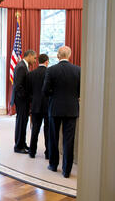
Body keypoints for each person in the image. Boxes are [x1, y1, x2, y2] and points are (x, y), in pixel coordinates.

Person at [42, 46, 80, 178]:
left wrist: (55, 94)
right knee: (68, 140)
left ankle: (53, 165)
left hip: (55, 108)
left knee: (53, 137)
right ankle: (66, 170)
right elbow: (80, 90)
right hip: (72, 109)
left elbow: (45, 91)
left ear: (58, 56)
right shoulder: (78, 70)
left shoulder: (51, 70)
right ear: (69, 55)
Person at [11, 49, 37, 154]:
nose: (35, 61)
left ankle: (22, 143)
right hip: (21, 100)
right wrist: (27, 98)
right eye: (34, 58)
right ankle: (18, 146)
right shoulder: (21, 67)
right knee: (21, 123)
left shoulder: (23, 65)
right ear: (29, 56)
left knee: (23, 123)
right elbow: (18, 86)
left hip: (22, 100)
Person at [27, 54, 50, 159]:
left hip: (36, 105)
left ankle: (32, 152)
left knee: (35, 129)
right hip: (48, 105)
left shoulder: (31, 74)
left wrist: (33, 100)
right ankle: (48, 153)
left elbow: (29, 91)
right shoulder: (50, 73)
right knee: (48, 129)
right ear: (47, 62)